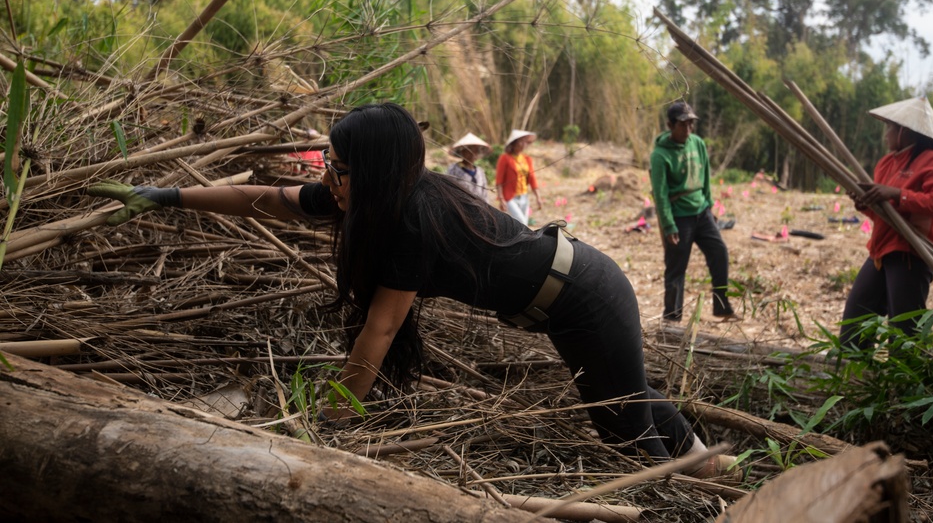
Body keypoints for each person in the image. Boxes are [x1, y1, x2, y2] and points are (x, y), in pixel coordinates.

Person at [87, 103, 737, 478]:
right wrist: (164, 194)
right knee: (630, 392)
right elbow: (263, 197)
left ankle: (678, 491)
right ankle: (710, 467)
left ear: (365, 173)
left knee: (624, 430)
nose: (327, 180)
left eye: (336, 169)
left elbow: (379, 330)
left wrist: (332, 422)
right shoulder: (372, 198)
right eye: (326, 167)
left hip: (585, 292)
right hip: (570, 291)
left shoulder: (408, 224)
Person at [842, 97, 933, 348]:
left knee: (905, 333)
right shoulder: (887, 163)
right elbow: (884, 215)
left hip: (911, 253)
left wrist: (895, 193)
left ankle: (907, 385)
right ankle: (854, 378)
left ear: (904, 130)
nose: (885, 135)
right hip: (880, 250)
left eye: (889, 128)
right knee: (854, 322)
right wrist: (865, 202)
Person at [649, 102, 738, 323]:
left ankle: (722, 306)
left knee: (719, 253)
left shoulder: (697, 144)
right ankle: (672, 317)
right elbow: (660, 194)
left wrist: (709, 204)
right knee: (676, 268)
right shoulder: (660, 156)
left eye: (691, 123)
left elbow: (705, 177)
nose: (688, 128)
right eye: (682, 124)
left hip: (702, 212)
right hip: (679, 217)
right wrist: (668, 225)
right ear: (670, 125)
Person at [495, 129, 543, 225]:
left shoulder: (527, 159)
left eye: (525, 142)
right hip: (510, 198)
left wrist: (538, 197)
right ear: (513, 143)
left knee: (521, 225)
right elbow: (499, 180)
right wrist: (501, 198)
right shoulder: (505, 158)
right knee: (521, 223)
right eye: (520, 141)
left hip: (524, 196)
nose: (523, 144)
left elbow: (532, 179)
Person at [445, 132, 490, 201]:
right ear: (462, 152)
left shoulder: (480, 172)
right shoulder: (453, 169)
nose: (472, 154)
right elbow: (448, 190)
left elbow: (484, 194)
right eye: (469, 151)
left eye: (475, 151)